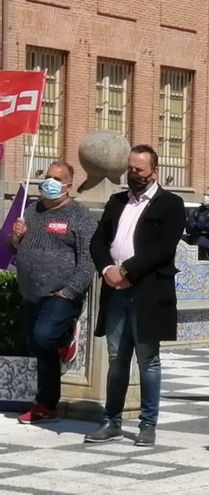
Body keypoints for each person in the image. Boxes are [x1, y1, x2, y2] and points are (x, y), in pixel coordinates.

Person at [85, 144, 186, 447]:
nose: (133, 174)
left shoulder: (170, 204)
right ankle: (111, 420)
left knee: (148, 360)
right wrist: (108, 270)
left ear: (154, 172)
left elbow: (164, 248)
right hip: (115, 291)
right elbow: (98, 242)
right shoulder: (117, 202)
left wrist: (127, 270)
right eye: (130, 168)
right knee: (117, 359)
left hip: (147, 293)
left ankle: (147, 423)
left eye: (139, 170)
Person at [10, 161, 97, 424]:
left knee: (45, 337)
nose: (50, 182)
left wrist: (69, 292)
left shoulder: (79, 216)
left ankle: (66, 333)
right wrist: (16, 237)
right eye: (47, 177)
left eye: (57, 178)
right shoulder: (32, 211)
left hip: (60, 294)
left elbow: (87, 260)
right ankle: (46, 405)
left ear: (69, 186)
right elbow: (15, 249)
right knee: (37, 345)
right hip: (31, 294)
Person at [185, 187, 209, 261]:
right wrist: (203, 227)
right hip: (196, 247)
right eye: (204, 194)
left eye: (208, 195)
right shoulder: (198, 210)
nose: (205, 197)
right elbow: (189, 227)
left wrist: (198, 225)